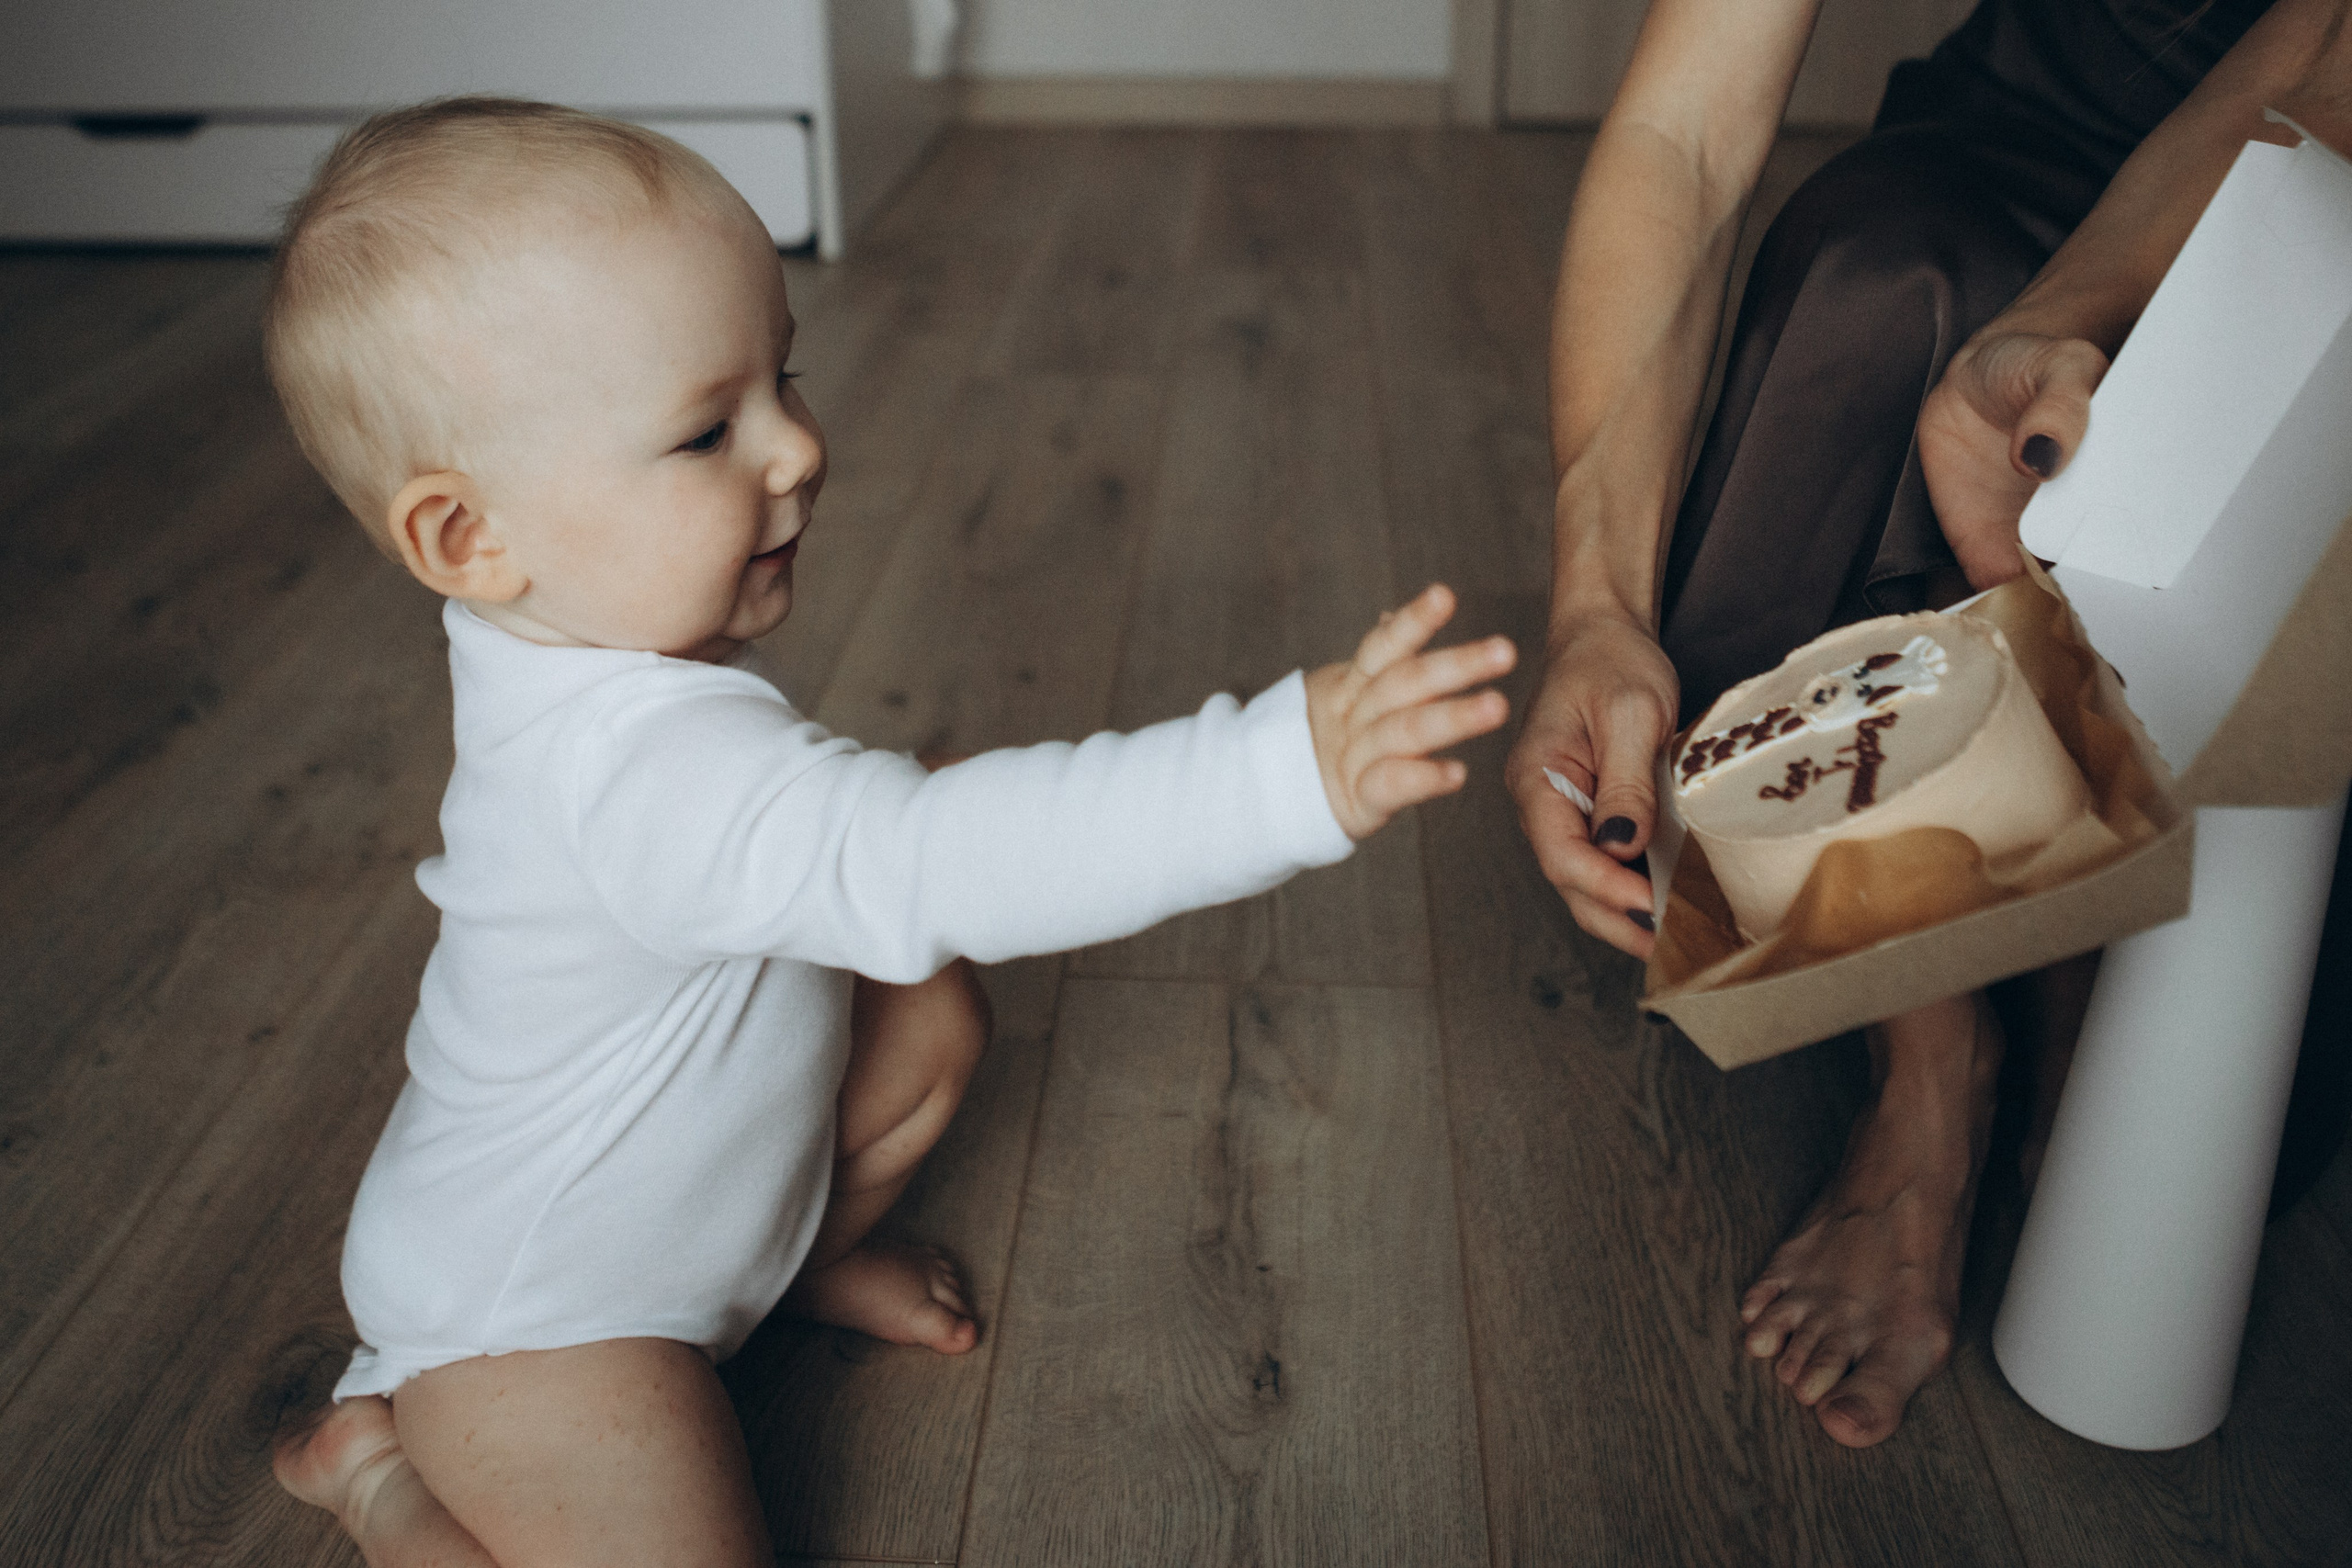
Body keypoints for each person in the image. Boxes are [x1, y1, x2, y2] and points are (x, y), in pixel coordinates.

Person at [264, 97, 1518, 1565]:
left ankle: (788, 1266)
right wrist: (1284, 773)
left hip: (684, 1218)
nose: (797, 447)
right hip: (537, 1317)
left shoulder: (581, 646)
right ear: (471, 538)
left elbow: (853, 855)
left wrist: (909, 821)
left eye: (783, 378)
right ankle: (380, 1479)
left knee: (927, 1014)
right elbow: (929, 862)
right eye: (708, 430)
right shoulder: (626, 774)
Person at [1506, 0, 2352, 1449]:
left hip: (2319, 174)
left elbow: (2323, 52)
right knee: (1875, 278)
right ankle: (1930, 1070)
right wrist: (1593, 605)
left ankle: (2073, 944)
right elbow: (1682, 131)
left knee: (2211, 1139)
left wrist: (2067, 314)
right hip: (2029, 125)